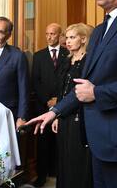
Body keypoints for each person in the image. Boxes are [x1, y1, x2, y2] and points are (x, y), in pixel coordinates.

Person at [26, 0, 117, 187]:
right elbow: (81, 86)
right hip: (96, 139)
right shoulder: (100, 29)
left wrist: (97, 93)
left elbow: (91, 90)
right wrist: (55, 112)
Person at [50, 23, 93, 188]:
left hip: (81, 117)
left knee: (78, 158)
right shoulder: (65, 61)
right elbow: (61, 92)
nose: (68, 41)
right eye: (67, 37)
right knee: (64, 157)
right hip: (63, 116)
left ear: (83, 39)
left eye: (72, 37)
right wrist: (56, 115)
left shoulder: (89, 61)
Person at [31, 23, 69, 187]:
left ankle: (58, 173)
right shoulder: (38, 56)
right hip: (42, 106)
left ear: (60, 35)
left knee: (61, 142)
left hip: (63, 105)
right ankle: (41, 176)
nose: (49, 37)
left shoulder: (68, 54)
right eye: (47, 34)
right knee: (43, 142)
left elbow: (69, 79)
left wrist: (58, 101)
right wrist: (47, 100)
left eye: (53, 34)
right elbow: (35, 81)